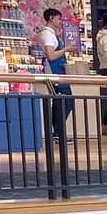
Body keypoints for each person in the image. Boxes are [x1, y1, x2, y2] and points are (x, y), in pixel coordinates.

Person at [35, 8, 73, 148]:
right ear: (51, 18)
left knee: (59, 102)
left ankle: (57, 132)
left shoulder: (50, 34)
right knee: (65, 102)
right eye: (59, 19)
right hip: (55, 73)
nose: (60, 22)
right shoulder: (48, 35)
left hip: (58, 72)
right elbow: (51, 55)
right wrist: (65, 49)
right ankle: (58, 132)